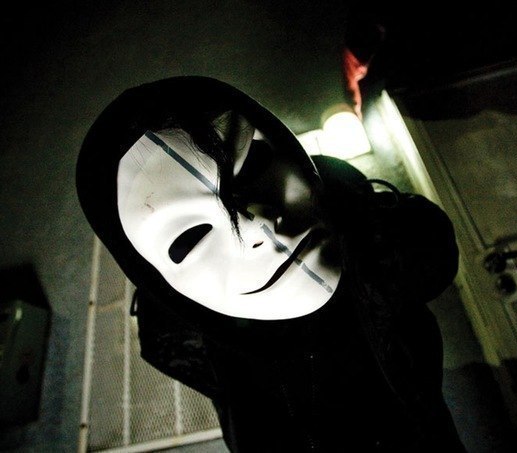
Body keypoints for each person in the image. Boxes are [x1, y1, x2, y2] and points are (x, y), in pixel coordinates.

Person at [76, 76, 467, 452]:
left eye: (255, 163)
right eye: (189, 237)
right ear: (161, 286)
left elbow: (429, 266)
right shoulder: (176, 334)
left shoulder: (352, 203)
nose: (259, 228)